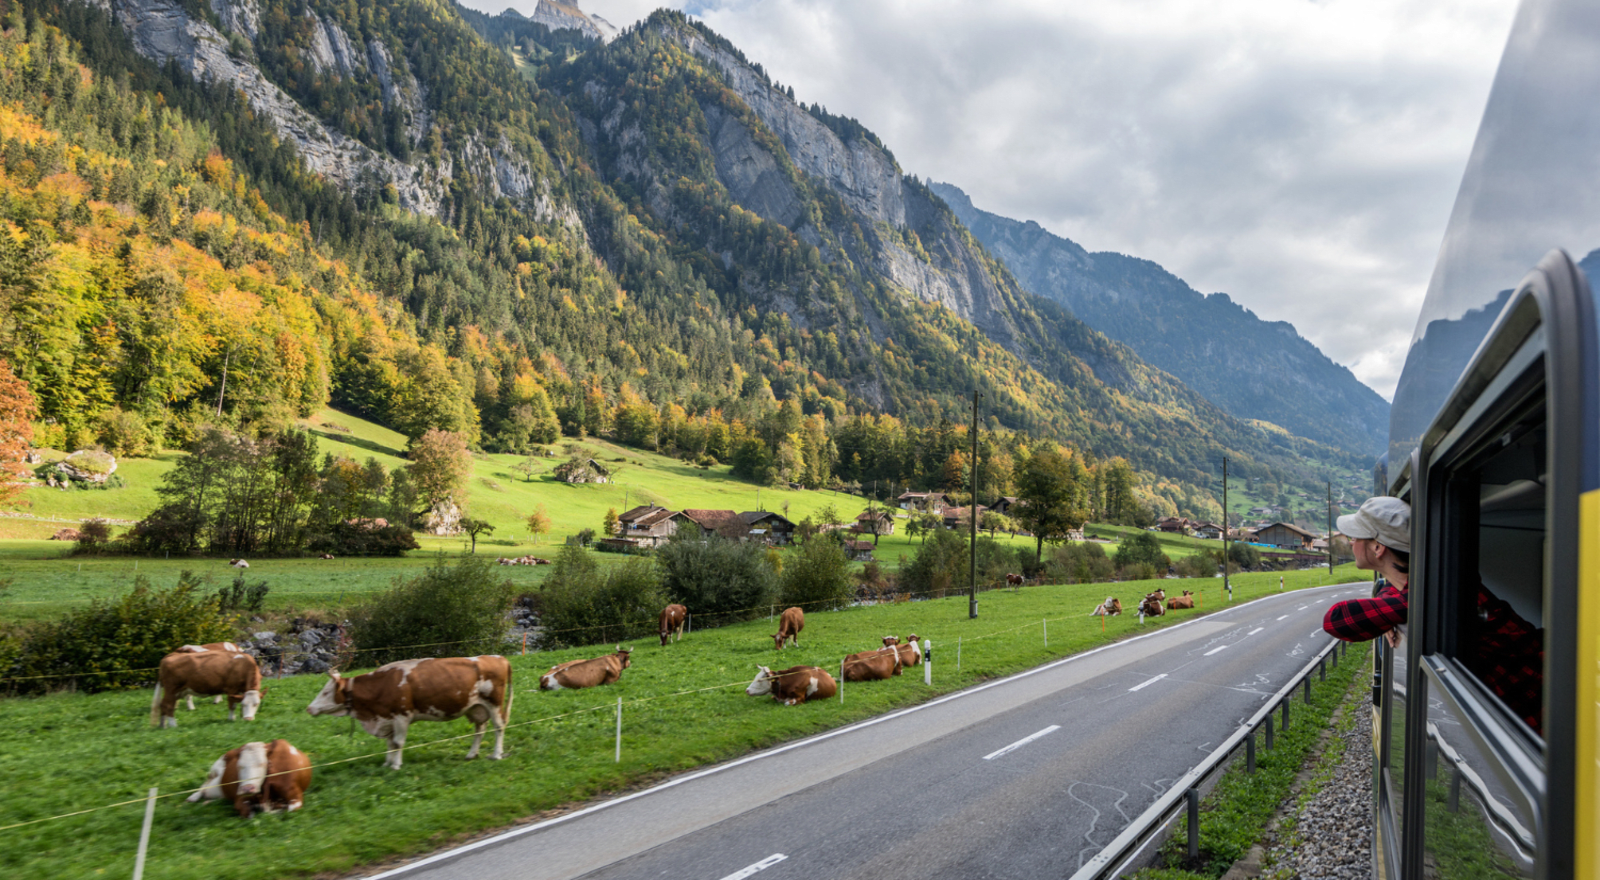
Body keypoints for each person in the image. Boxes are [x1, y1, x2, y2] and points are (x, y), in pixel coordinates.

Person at [1321, 495, 1544, 734]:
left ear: (1378, 547)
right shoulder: (1425, 586)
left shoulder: (1441, 593)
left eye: (1357, 536)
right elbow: (1394, 590)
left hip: (1537, 722)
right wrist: (1388, 609)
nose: (1351, 541)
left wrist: (1391, 611)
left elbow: (1336, 620)